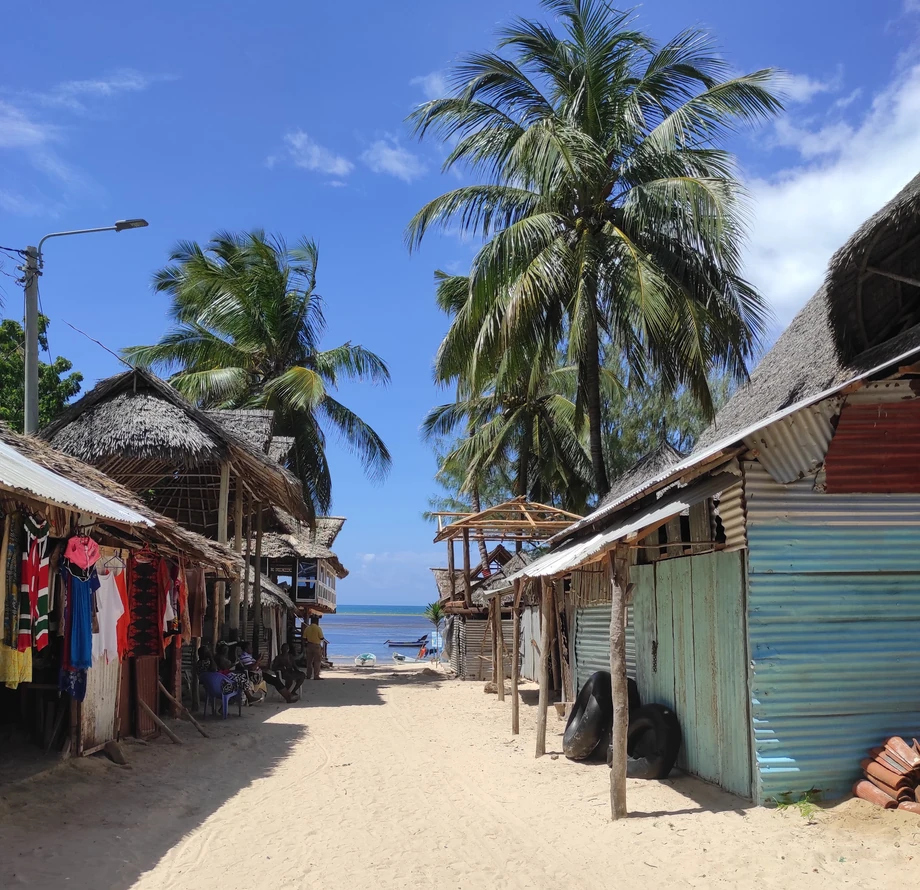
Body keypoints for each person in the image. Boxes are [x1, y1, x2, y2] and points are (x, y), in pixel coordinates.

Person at [303, 615, 325, 680]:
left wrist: (305, 645)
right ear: (317, 621)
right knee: (317, 661)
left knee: (309, 662)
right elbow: (321, 637)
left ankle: (308, 675)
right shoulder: (318, 628)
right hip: (316, 646)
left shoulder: (307, 628)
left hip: (309, 645)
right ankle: (316, 676)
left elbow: (304, 638)